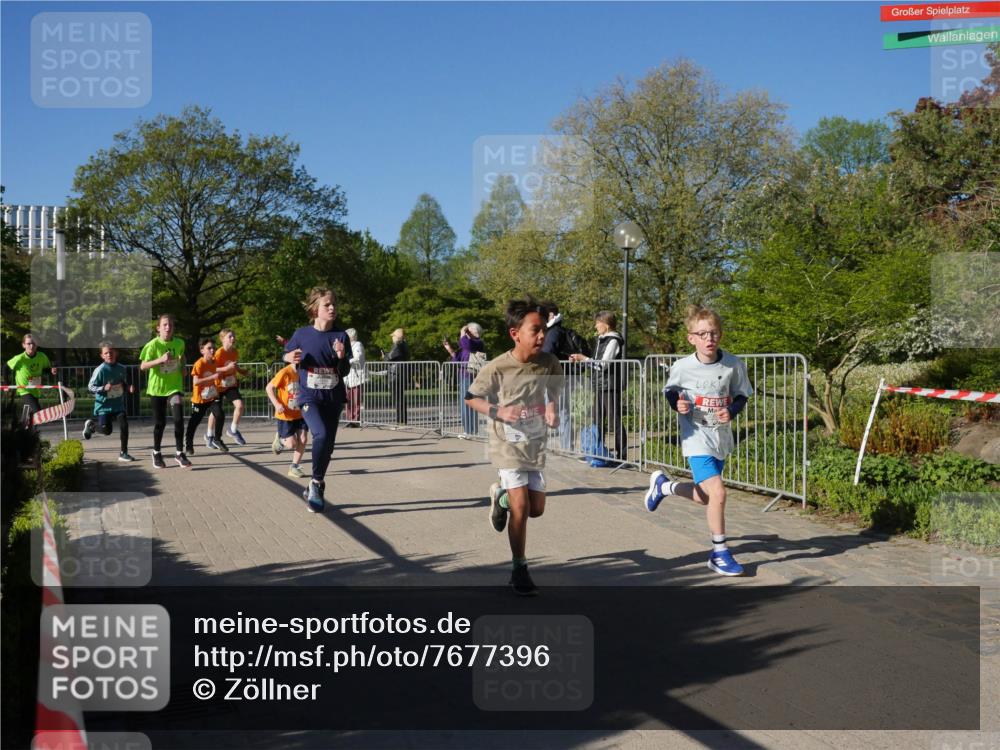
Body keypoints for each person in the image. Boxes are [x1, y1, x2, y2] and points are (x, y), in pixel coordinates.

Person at [643, 305, 753, 576]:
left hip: (720, 439)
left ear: (720, 335)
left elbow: (742, 394)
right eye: (702, 334)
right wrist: (677, 404)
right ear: (691, 337)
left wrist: (733, 410)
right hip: (696, 440)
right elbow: (671, 390)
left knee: (706, 498)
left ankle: (664, 487)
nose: (709, 339)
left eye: (713, 333)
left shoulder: (733, 364)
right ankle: (720, 553)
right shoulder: (683, 367)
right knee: (719, 493)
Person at [465, 297, 563, 596]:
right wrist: (499, 412)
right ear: (515, 333)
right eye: (535, 330)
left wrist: (552, 408)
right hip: (507, 444)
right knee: (521, 508)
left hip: (535, 443)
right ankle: (519, 568)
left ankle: (500, 497)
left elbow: (554, 391)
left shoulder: (548, 362)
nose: (542, 335)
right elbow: (472, 397)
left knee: (536, 509)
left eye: (544, 329)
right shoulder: (498, 366)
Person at [282, 287, 351, 512]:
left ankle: (316, 483)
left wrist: (341, 357)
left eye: (333, 305)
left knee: (327, 445)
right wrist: (288, 356)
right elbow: (287, 354)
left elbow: (345, 372)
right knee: (319, 433)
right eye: (327, 305)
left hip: (333, 396)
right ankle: (315, 483)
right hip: (309, 395)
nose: (332, 308)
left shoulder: (340, 336)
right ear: (315, 309)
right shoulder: (302, 334)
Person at [569, 311, 626, 461]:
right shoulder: (602, 339)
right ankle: (597, 451)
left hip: (610, 385)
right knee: (597, 419)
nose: (595, 326)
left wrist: (584, 359)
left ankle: (623, 456)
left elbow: (603, 365)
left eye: (598, 323)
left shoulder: (613, 340)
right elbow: (595, 362)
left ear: (606, 325)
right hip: (600, 385)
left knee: (615, 420)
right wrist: (581, 359)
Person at [139, 314, 191, 469]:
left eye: (171, 325)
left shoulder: (180, 343)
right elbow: (143, 366)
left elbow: (183, 359)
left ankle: (179, 453)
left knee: (178, 419)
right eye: (165, 325)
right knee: (160, 423)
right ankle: (156, 452)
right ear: (158, 328)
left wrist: (183, 369)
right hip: (157, 389)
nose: (168, 328)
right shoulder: (152, 345)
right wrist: (160, 360)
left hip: (174, 387)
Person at [82, 341, 137, 461]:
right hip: (104, 406)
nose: (109, 355)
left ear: (116, 353)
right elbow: (90, 387)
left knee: (124, 425)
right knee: (107, 431)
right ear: (102, 355)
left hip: (118, 405)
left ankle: (124, 453)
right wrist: (103, 388)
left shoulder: (122, 368)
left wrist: (128, 388)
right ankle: (92, 426)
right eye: (106, 353)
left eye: (111, 352)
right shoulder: (100, 370)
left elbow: (123, 383)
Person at [540, 302, 574, 451]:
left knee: (559, 410)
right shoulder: (559, 330)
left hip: (557, 376)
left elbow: (547, 351)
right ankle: (565, 445)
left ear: (551, 315)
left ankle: (566, 446)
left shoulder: (553, 332)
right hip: (562, 374)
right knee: (560, 410)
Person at [266, 361, 309, 477]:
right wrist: (276, 404)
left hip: (301, 413)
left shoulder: (305, 371)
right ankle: (280, 439)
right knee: (291, 444)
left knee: (303, 439)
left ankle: (294, 467)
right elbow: (269, 388)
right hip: (285, 415)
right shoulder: (285, 372)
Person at [185, 338, 228, 455]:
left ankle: (217, 439)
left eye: (213, 348)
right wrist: (212, 378)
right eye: (209, 348)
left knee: (220, 414)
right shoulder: (199, 364)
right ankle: (188, 444)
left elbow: (216, 375)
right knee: (195, 422)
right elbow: (196, 382)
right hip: (200, 399)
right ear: (202, 350)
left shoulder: (214, 362)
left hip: (212, 396)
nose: (212, 350)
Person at [207, 328, 248, 447]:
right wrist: (225, 369)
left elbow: (233, 366)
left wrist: (241, 371)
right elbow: (212, 368)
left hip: (230, 385)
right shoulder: (218, 353)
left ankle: (233, 430)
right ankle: (210, 435)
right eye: (230, 336)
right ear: (222, 339)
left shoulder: (235, 352)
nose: (233, 338)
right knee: (216, 413)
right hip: (218, 386)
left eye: (233, 336)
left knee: (240, 405)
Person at [443, 322, 486, 436]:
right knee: (465, 404)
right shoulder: (467, 345)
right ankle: (469, 430)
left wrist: (463, 332)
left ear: (474, 332)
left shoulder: (477, 342)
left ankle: (470, 431)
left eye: (469, 330)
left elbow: (466, 344)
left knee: (469, 403)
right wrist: (450, 350)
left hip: (470, 376)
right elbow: (457, 361)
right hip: (463, 376)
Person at [6, 333, 57, 426]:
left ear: (37, 344)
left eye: (33, 343)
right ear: (24, 345)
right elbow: (6, 366)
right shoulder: (20, 358)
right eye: (29, 343)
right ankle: (25, 429)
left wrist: (51, 371)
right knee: (37, 411)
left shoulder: (42, 356)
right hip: (24, 389)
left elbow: (45, 370)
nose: (31, 346)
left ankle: (23, 429)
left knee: (32, 414)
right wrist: (6, 383)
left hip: (35, 388)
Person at [384, 328, 410, 426]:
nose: (392, 338)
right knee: (400, 398)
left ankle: (401, 421)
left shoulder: (398, 345)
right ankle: (401, 421)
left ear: (397, 337)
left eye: (393, 336)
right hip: (401, 374)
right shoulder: (404, 345)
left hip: (396, 375)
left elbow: (389, 358)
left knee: (398, 398)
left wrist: (384, 356)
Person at [343, 328, 366, 426]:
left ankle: (355, 420)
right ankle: (349, 419)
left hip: (356, 376)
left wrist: (347, 361)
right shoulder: (347, 346)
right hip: (349, 377)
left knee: (356, 400)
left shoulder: (358, 344)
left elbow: (358, 357)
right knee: (348, 400)